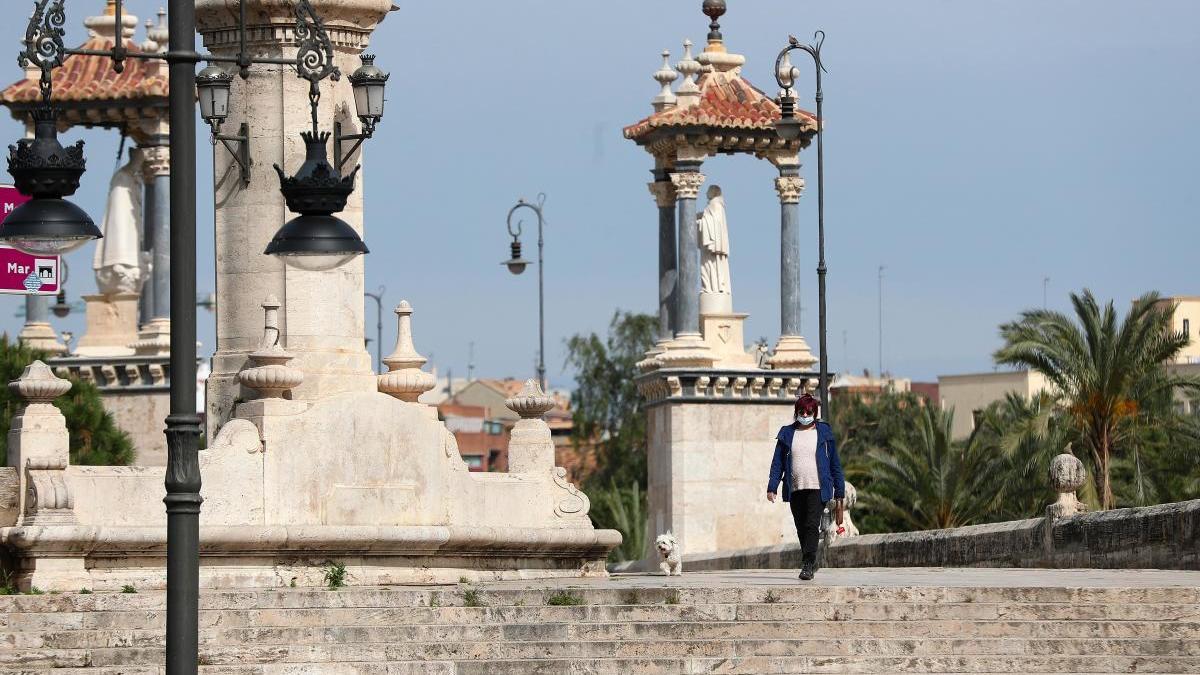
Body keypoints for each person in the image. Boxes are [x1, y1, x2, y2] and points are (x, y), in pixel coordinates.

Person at [766, 393, 846, 581]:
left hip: (818, 487)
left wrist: (839, 490)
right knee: (801, 527)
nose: (805, 414)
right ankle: (810, 560)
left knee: (811, 525)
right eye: (801, 411)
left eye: (809, 411)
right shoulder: (787, 433)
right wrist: (772, 486)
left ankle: (808, 564)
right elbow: (777, 462)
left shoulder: (824, 433)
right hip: (795, 488)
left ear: (814, 412)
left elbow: (834, 463)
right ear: (796, 412)